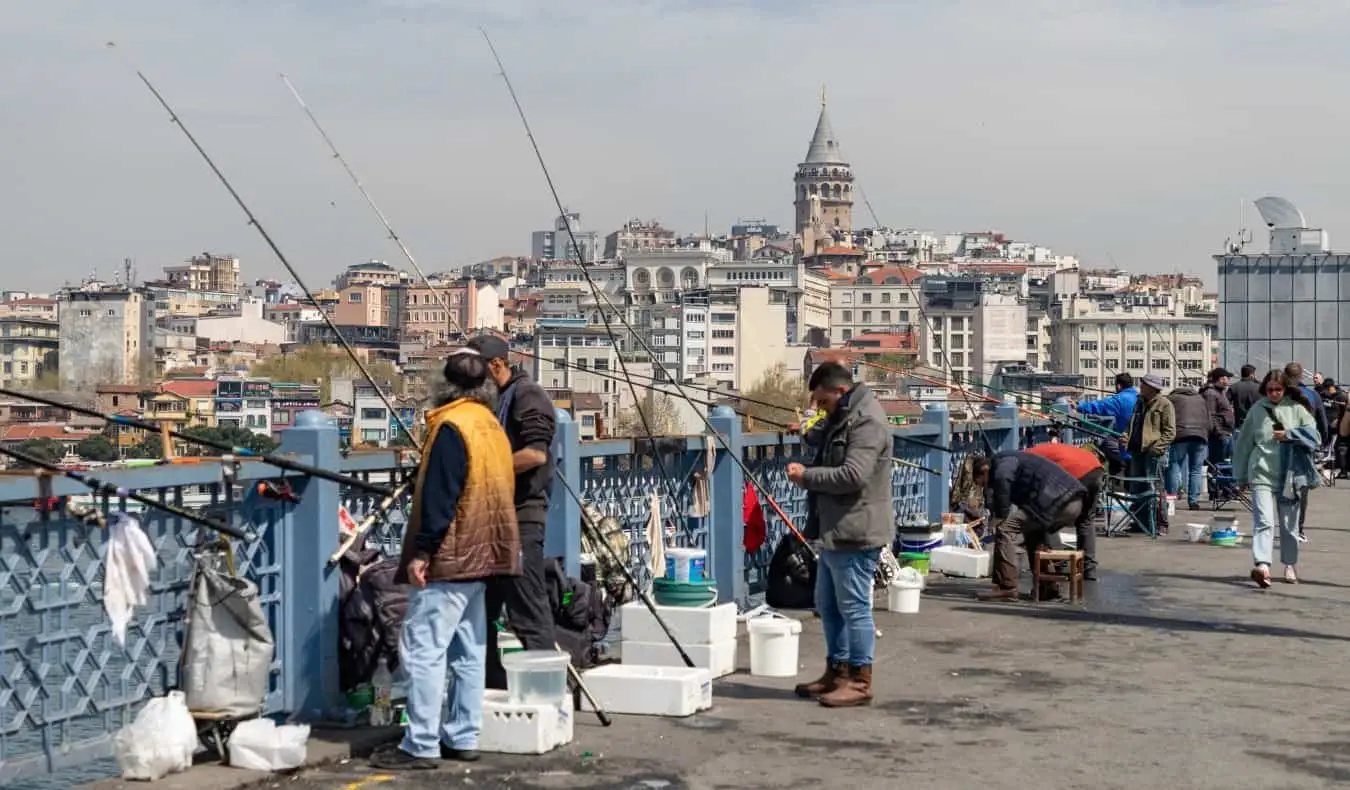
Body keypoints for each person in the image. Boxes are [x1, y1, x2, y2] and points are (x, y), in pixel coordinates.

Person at [372, 349, 520, 770]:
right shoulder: (491, 424)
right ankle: (463, 734)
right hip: (490, 551)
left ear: (443, 385)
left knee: (424, 648)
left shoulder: (451, 425)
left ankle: (420, 742)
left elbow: (441, 495)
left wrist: (423, 551)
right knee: (470, 649)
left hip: (455, 554)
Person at [785, 362, 892, 708]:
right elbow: (824, 437)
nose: (820, 408)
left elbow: (853, 474)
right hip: (835, 529)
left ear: (840, 392)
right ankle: (837, 671)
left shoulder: (867, 422)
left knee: (855, 608)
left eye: (823, 401)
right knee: (828, 606)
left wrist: (807, 477)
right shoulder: (845, 415)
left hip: (856, 529)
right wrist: (806, 426)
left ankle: (860, 682)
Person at [465, 334, 560, 689]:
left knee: (526, 608)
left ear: (496, 366)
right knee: (482, 609)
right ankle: (491, 685)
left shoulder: (527, 395)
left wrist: (484, 467)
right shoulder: (495, 401)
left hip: (521, 519)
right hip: (491, 520)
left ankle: (549, 690)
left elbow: (536, 454)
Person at [1232, 369, 1320, 588]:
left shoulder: (1297, 409)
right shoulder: (1256, 410)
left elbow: (1315, 437)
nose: (1273, 393)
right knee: (1263, 521)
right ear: (1264, 389)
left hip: (1290, 475)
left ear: (1286, 389)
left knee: (1289, 526)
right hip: (1261, 471)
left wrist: (1290, 434)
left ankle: (1289, 564)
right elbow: (1243, 444)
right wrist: (1240, 476)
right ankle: (1263, 565)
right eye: (1269, 389)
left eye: (1278, 389)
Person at [970, 451, 1088, 601]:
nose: (987, 488)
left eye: (984, 483)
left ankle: (1007, 587)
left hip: (1055, 500)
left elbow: (1002, 478)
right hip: (1072, 500)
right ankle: (1047, 588)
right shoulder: (1013, 460)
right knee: (1033, 533)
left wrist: (1000, 516)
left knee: (1004, 530)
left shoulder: (1002, 463)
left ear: (985, 470)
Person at [1022, 442, 1104, 580]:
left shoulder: (1025, 461)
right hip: (1095, 468)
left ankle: (1058, 564)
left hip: (1076, 471)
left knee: (1046, 516)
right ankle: (1089, 569)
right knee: (1086, 519)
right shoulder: (1036, 451)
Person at [1125, 375, 1176, 533]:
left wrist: (1157, 448)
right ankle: (1139, 523)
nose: (1141, 387)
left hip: (1153, 453)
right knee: (1137, 488)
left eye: (1144, 385)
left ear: (1153, 388)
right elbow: (1132, 425)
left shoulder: (1164, 404)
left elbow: (1170, 431)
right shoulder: (1138, 403)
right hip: (1136, 451)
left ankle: (1160, 523)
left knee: (1154, 488)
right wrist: (1126, 437)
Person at [1285, 361, 1325, 540]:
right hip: (1305, 445)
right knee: (1302, 487)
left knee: (1282, 486)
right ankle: (1299, 529)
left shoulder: (1279, 394)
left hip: (1282, 445)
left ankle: (1285, 525)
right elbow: (1322, 421)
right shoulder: (1312, 394)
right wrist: (1320, 442)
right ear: (1301, 376)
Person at [1071, 372, 1137, 474]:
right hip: (1141, 447)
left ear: (1118, 386)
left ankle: (1114, 476)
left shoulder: (1120, 400)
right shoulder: (1139, 397)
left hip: (1128, 449)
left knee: (1104, 443)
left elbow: (1100, 406)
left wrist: (1078, 405)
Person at [1167, 382, 1212, 511]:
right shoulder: (1200, 399)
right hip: (1200, 436)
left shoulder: (1172, 399)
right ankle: (1193, 501)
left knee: (1175, 466)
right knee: (1196, 469)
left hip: (1180, 436)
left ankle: (1171, 500)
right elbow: (1208, 419)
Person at [1200, 368, 1236, 464]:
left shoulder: (1220, 392)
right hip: (1219, 436)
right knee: (1217, 463)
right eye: (1227, 378)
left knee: (1226, 463)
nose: (1228, 381)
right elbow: (1211, 415)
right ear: (1222, 379)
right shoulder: (1210, 393)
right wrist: (1219, 432)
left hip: (1226, 433)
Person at [1228, 364, 1262, 429]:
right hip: (1256, 424)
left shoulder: (1234, 387)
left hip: (1239, 424)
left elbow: (1226, 404)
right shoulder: (1259, 387)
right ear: (1252, 375)